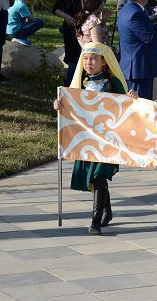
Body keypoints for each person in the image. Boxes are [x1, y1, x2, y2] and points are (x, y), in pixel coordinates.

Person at [54, 42, 136, 234]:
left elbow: (125, 105)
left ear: (104, 62)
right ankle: (107, 210)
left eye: (93, 59)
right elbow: (69, 105)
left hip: (108, 139)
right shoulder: (79, 84)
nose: (88, 62)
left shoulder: (112, 83)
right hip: (87, 139)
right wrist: (58, 105)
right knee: (94, 176)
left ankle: (95, 220)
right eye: (85, 58)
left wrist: (131, 97)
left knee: (99, 175)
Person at [117, 0, 157, 99]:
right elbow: (150, 38)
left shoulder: (128, 9)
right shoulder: (135, 13)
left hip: (138, 68)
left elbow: (142, 30)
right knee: (142, 106)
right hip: (140, 70)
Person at [53, 0, 85, 85]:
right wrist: (65, 16)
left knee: (77, 56)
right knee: (72, 57)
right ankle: (71, 81)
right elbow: (55, 9)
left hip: (82, 30)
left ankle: (71, 82)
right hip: (69, 30)